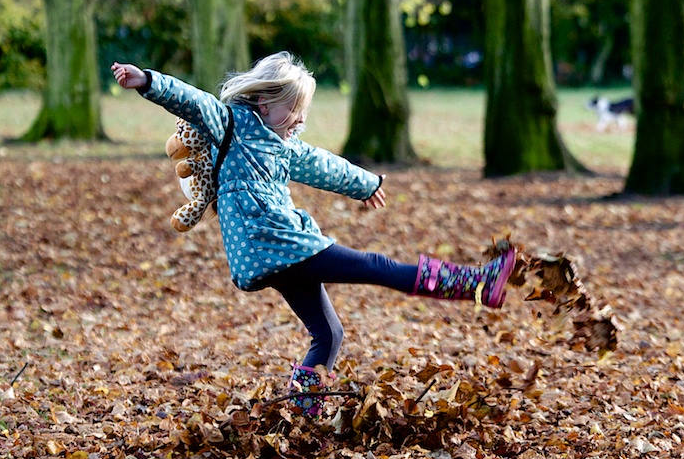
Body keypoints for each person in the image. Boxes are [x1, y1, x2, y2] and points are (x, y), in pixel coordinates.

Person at [111, 54, 516, 417]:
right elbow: (192, 100)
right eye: (294, 109)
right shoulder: (231, 124)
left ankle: (301, 416)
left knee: (328, 333)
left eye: (304, 111)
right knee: (376, 265)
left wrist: (365, 183)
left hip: (273, 253)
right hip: (275, 244)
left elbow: (325, 166)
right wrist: (146, 80)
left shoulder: (285, 146)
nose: (300, 119)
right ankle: (478, 284)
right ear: (266, 103)